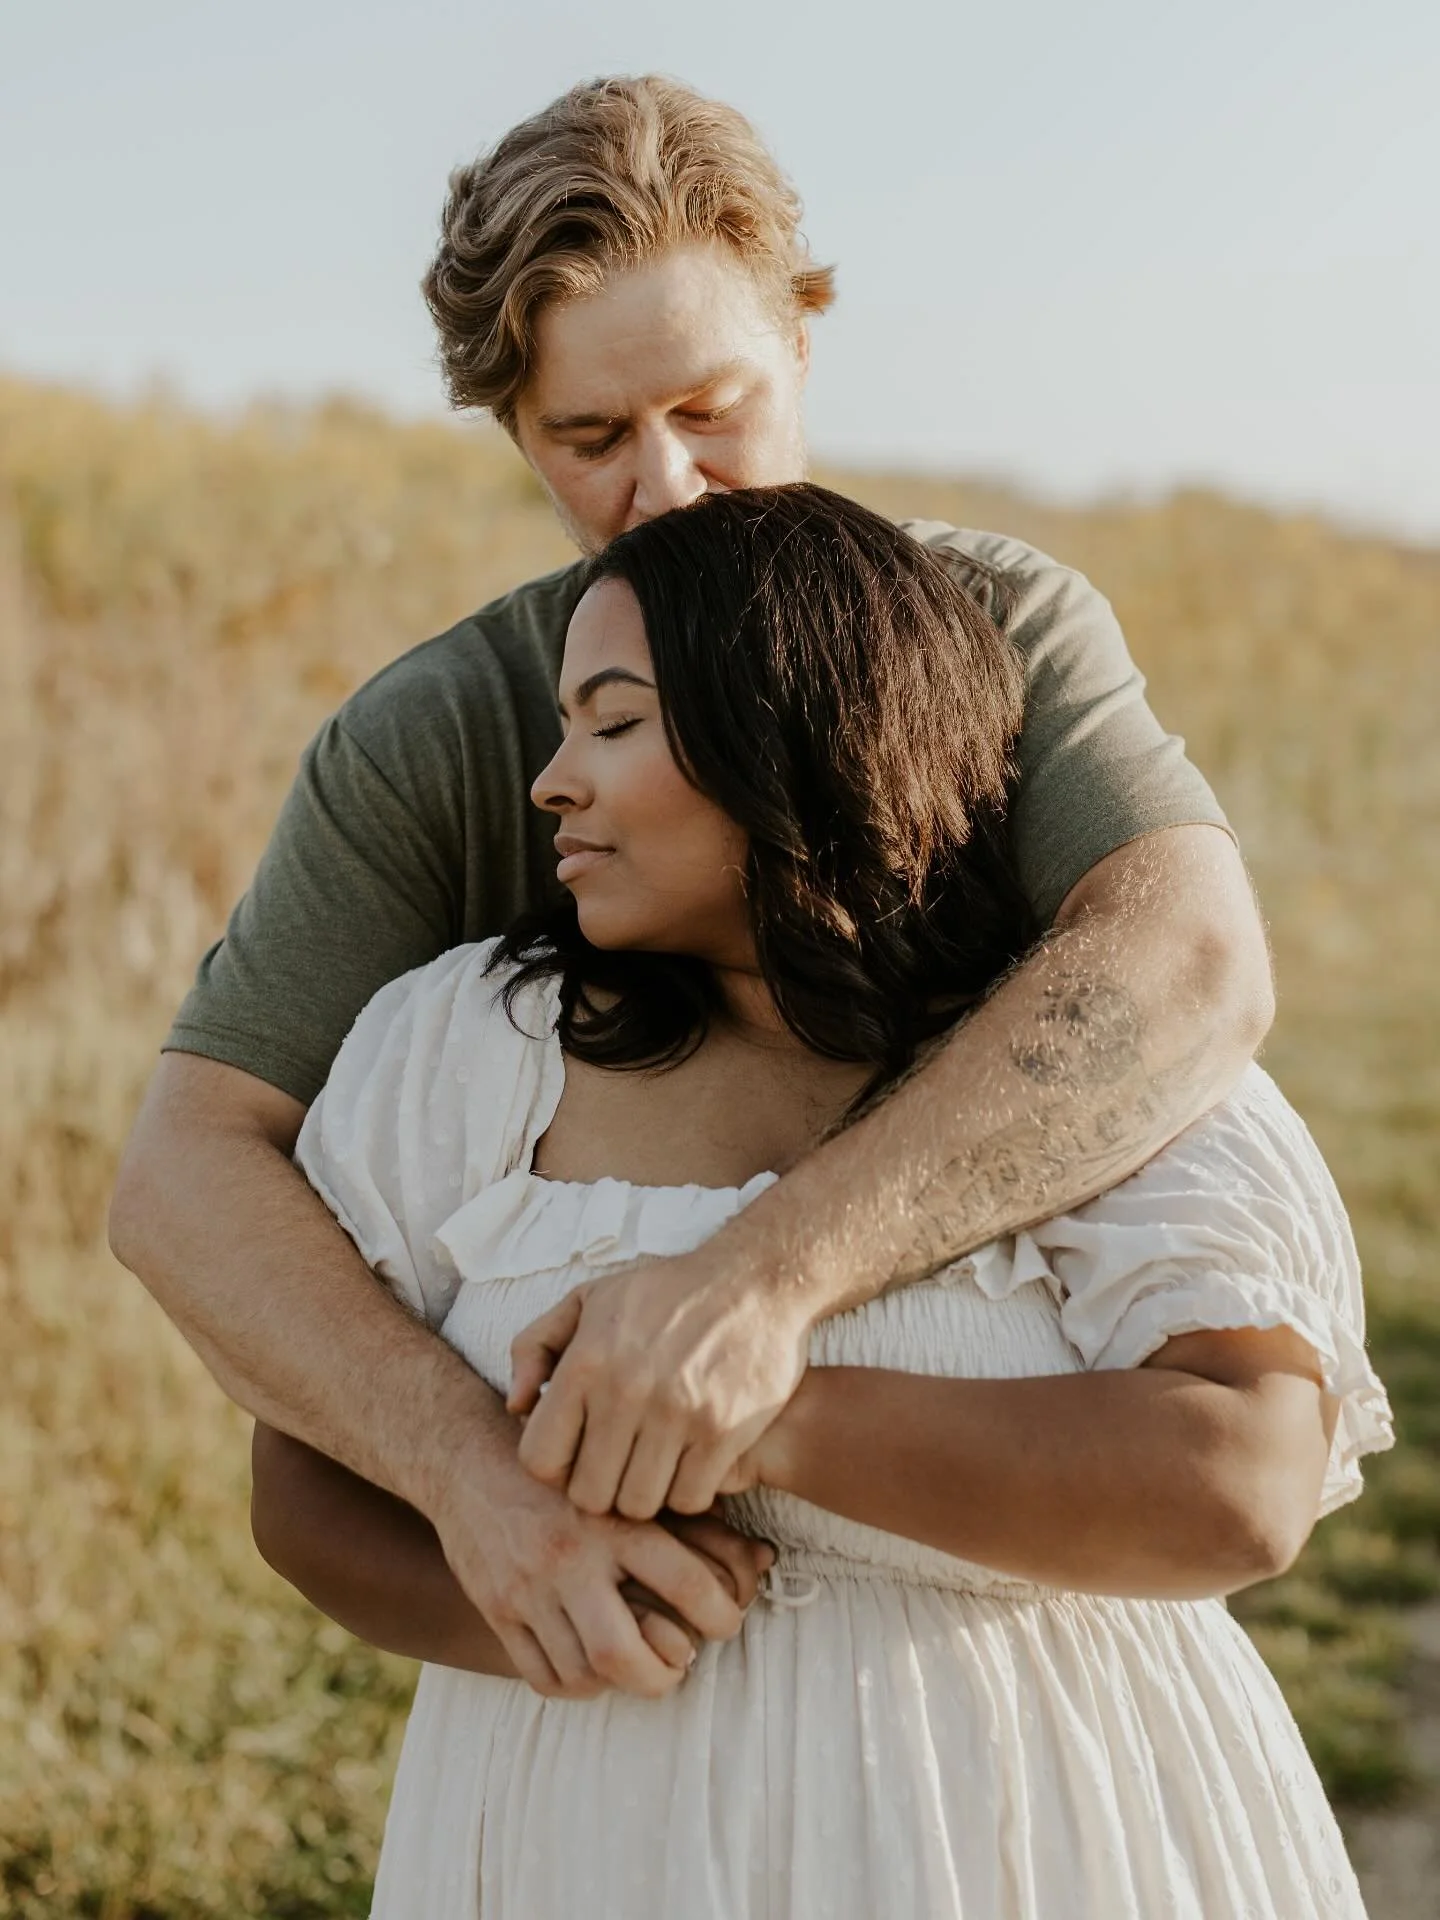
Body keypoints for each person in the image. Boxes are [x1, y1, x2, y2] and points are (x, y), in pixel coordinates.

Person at [110, 76, 1278, 1698]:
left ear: (802, 342)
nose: (665, 485)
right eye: (590, 437)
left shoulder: (1001, 627)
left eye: (711, 407)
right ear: (515, 432)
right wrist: (473, 1481)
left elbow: (1190, 959)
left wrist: (757, 1286)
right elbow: (185, 1169)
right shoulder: (436, 734)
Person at [264, 484, 1390, 1916]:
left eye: (613, 724)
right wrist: (531, 1591)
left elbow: (1244, 1485)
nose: (552, 781)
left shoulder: (1085, 1055)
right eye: (562, 727)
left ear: (790, 728)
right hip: (579, 1847)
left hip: (1037, 1838)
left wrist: (765, 1414)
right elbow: (302, 1476)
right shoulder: (465, 1044)